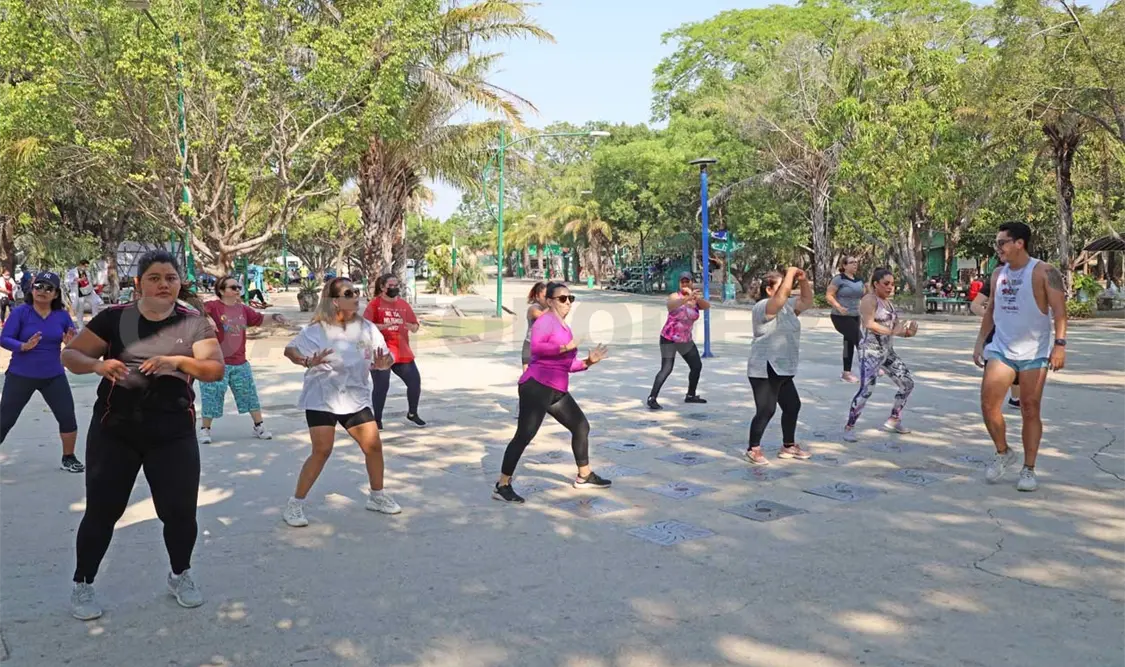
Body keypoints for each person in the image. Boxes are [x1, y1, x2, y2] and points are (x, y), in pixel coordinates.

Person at [61, 250, 224, 621]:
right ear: (139, 284)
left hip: (172, 432)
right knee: (103, 511)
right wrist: (98, 365)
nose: (163, 284)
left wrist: (177, 362)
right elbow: (71, 356)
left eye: (170, 277)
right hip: (115, 430)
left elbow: (214, 369)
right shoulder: (113, 318)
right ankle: (82, 582)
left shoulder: (194, 323)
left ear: (179, 282)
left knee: (180, 512)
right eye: (154, 278)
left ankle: (180, 575)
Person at [282, 277, 401, 527]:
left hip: (355, 398)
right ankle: (295, 505)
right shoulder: (316, 331)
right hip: (322, 398)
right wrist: (306, 361)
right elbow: (290, 350)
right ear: (335, 301)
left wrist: (383, 364)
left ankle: (377, 497)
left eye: (357, 292)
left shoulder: (367, 328)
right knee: (322, 450)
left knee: (373, 446)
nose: (356, 297)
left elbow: (386, 357)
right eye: (349, 293)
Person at [493, 282, 610, 503]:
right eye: (562, 299)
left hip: (556, 388)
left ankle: (584, 475)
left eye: (570, 298)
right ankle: (502, 485)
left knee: (581, 425)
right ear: (549, 301)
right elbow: (537, 347)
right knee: (524, 436)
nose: (568, 303)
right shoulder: (544, 320)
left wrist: (588, 362)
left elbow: (566, 365)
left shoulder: (564, 327)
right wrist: (566, 347)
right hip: (536, 386)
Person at [974, 222, 1067, 493]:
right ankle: (1003, 452)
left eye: (1002, 242)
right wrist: (980, 342)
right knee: (988, 406)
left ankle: (1029, 469)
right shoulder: (997, 274)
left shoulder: (1045, 272)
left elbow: (1060, 312)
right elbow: (991, 310)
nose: (998, 248)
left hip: (1034, 353)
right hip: (1001, 348)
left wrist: (1060, 345)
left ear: (1019, 243)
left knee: (1029, 408)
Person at [0, 271, 82, 471]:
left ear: (55, 294)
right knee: (5, 419)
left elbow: (74, 340)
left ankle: (68, 457)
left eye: (48, 288)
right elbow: (4, 338)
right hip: (21, 375)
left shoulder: (61, 316)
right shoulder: (21, 312)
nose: (42, 291)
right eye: (39, 286)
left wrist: (70, 343)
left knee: (67, 416)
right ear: (32, 289)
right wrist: (23, 346)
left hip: (53, 375)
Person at [199, 276, 288, 444]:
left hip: (240, 363)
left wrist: (276, 316)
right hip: (215, 363)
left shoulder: (243, 309)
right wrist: (207, 318)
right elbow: (193, 310)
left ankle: (259, 426)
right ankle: (205, 429)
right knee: (211, 396)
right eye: (233, 287)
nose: (238, 290)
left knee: (249, 395)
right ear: (221, 291)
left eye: (239, 287)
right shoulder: (212, 307)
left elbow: (259, 319)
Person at [745, 267, 814, 465]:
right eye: (783, 284)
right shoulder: (763, 306)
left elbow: (807, 301)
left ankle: (788, 446)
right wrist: (790, 273)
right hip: (764, 368)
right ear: (768, 290)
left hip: (783, 367)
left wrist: (802, 280)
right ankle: (753, 448)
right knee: (766, 410)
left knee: (792, 406)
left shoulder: (788, 307)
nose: (788, 288)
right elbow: (779, 299)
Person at [843, 268, 918, 443]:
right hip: (870, 352)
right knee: (866, 390)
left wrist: (908, 332)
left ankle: (894, 419)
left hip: (887, 352)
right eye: (886, 284)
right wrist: (894, 331)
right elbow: (869, 324)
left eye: (892, 284)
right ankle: (849, 427)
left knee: (907, 383)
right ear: (876, 284)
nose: (890, 287)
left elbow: (897, 328)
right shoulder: (870, 300)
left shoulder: (888, 303)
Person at [364, 273, 425, 429]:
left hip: (402, 351)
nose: (395, 288)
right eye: (391, 285)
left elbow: (415, 326)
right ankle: (377, 420)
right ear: (382, 287)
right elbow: (365, 326)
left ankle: (412, 413)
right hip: (381, 352)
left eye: (397, 285)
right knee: (382, 387)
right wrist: (383, 326)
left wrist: (412, 327)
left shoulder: (404, 304)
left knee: (414, 383)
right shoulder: (375, 304)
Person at [647, 271, 709, 409]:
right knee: (667, 368)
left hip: (685, 340)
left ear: (692, 282)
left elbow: (707, 306)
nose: (685, 284)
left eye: (688, 281)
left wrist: (696, 299)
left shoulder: (695, 298)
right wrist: (686, 298)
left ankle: (691, 395)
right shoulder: (675, 296)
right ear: (679, 283)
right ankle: (652, 397)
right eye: (683, 282)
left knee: (696, 366)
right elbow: (670, 306)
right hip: (669, 338)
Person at [970, 273, 1020, 410]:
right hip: (999, 333)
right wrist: (995, 316)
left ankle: (1015, 398)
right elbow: (975, 306)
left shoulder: (1027, 278)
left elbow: (975, 306)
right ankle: (1009, 399)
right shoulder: (997, 278)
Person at [826, 256, 865, 383]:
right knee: (859, 339)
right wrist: (839, 307)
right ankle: (872, 366)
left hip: (855, 316)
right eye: (852, 262)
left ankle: (846, 373)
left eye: (856, 262)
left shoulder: (859, 280)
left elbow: (865, 296)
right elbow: (829, 296)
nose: (855, 264)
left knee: (848, 344)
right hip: (840, 316)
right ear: (844, 265)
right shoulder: (839, 279)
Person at [66, 259, 103, 330]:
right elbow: (68, 281)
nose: (86, 268)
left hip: (88, 292)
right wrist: (78, 280)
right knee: (80, 311)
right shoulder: (72, 272)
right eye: (85, 266)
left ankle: (95, 323)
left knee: (95, 303)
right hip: (79, 295)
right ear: (80, 265)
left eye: (87, 266)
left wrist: (93, 285)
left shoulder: (87, 272)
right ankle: (81, 328)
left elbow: (89, 281)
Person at [521, 282, 548, 371]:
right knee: (527, 379)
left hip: (543, 347)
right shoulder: (533, 308)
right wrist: (553, 307)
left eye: (549, 297)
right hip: (530, 346)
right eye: (544, 296)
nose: (547, 299)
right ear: (537, 297)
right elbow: (540, 315)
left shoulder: (550, 310)